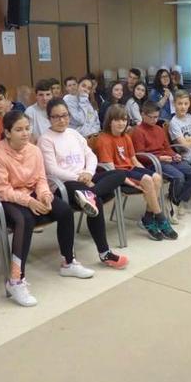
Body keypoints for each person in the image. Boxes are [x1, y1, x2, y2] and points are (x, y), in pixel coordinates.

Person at [0, 111, 96, 307]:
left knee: (64, 210)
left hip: (31, 193)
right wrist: (29, 202)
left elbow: (40, 179)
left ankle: (68, 262)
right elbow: (3, 190)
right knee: (25, 220)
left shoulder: (33, 150)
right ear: (7, 132)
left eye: (27, 128)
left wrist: (45, 196)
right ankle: (15, 280)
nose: (25, 133)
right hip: (3, 199)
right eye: (19, 130)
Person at [38, 99, 130, 269]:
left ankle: (91, 194)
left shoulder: (73, 133)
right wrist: (78, 177)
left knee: (119, 174)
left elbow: (91, 156)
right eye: (56, 117)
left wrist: (89, 173)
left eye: (64, 115)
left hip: (86, 180)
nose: (61, 120)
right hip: (64, 185)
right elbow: (52, 170)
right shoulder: (46, 139)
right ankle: (105, 253)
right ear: (48, 118)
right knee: (97, 202)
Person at [95, 105, 176, 241]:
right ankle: (160, 217)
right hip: (118, 175)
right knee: (147, 180)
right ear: (110, 121)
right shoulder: (103, 140)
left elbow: (134, 160)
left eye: (124, 120)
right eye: (117, 120)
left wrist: (145, 171)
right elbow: (111, 170)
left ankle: (148, 217)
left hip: (130, 169)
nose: (121, 123)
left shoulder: (126, 137)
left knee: (156, 177)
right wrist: (132, 182)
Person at [131, 101, 191, 223]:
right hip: (152, 163)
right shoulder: (138, 131)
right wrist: (160, 158)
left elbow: (167, 148)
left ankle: (174, 201)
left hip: (166, 159)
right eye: (151, 117)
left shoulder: (159, 129)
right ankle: (172, 206)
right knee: (179, 177)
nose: (154, 120)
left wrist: (175, 155)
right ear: (143, 115)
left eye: (156, 117)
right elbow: (139, 156)